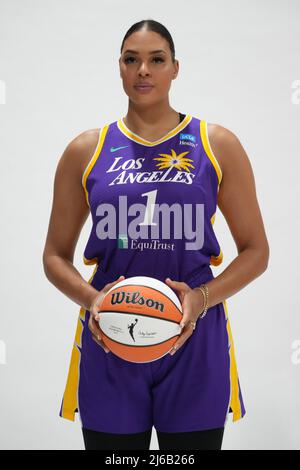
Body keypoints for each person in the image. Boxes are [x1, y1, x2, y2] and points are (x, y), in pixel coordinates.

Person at [42, 19, 269, 451]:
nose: (143, 69)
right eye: (132, 60)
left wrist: (201, 298)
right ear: (120, 68)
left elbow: (257, 251)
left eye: (156, 59)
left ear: (175, 68)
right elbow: (54, 256)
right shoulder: (85, 150)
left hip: (195, 336)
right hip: (108, 337)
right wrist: (95, 301)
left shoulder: (215, 143)